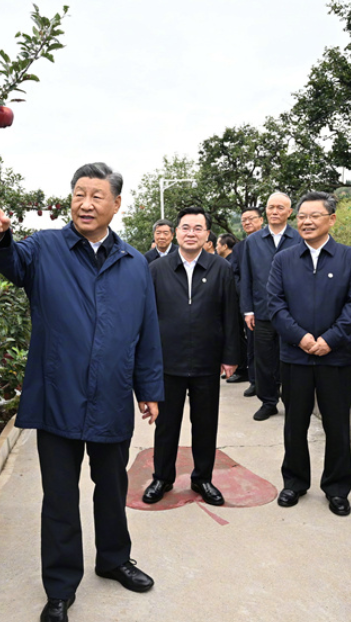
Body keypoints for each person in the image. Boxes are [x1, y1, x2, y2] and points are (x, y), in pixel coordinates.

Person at [0, 162, 164, 622]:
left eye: (97, 195)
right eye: (79, 193)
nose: (85, 203)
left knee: (112, 485)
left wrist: (150, 388)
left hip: (111, 395)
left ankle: (114, 559)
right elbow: (9, 262)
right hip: (57, 396)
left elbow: (147, 332)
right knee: (59, 497)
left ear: (116, 205)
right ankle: (60, 588)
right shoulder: (45, 248)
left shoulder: (136, 264)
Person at [267, 191, 351, 517]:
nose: (307, 222)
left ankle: (337, 489)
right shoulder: (283, 259)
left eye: (314, 216)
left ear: (331, 219)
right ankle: (294, 482)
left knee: (337, 425)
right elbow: (275, 305)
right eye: (302, 217)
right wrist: (301, 338)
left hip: (335, 358)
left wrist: (329, 339)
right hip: (295, 357)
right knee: (294, 424)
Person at [143, 206, 241, 506]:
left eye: (198, 228)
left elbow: (230, 314)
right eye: (185, 227)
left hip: (205, 361)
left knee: (205, 423)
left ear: (207, 234)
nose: (191, 233)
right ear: (176, 232)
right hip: (167, 362)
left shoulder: (220, 268)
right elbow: (145, 318)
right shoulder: (156, 270)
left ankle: (202, 478)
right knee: (166, 425)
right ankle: (162, 477)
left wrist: (230, 356)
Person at [239, 193, 301, 420]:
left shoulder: (299, 238)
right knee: (264, 359)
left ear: (289, 212)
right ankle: (268, 401)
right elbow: (246, 277)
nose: (275, 211)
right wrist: (248, 310)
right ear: (265, 211)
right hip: (262, 311)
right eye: (271, 207)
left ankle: (291, 401)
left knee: (290, 359)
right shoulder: (253, 241)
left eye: (280, 208)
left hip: (292, 313)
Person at [229, 208, 264, 393]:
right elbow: (234, 273)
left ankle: (276, 382)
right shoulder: (240, 247)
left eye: (251, 218)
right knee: (252, 343)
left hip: (274, 302)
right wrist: (243, 293)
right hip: (250, 303)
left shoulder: (271, 242)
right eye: (243, 220)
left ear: (261, 220)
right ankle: (254, 382)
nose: (247, 222)